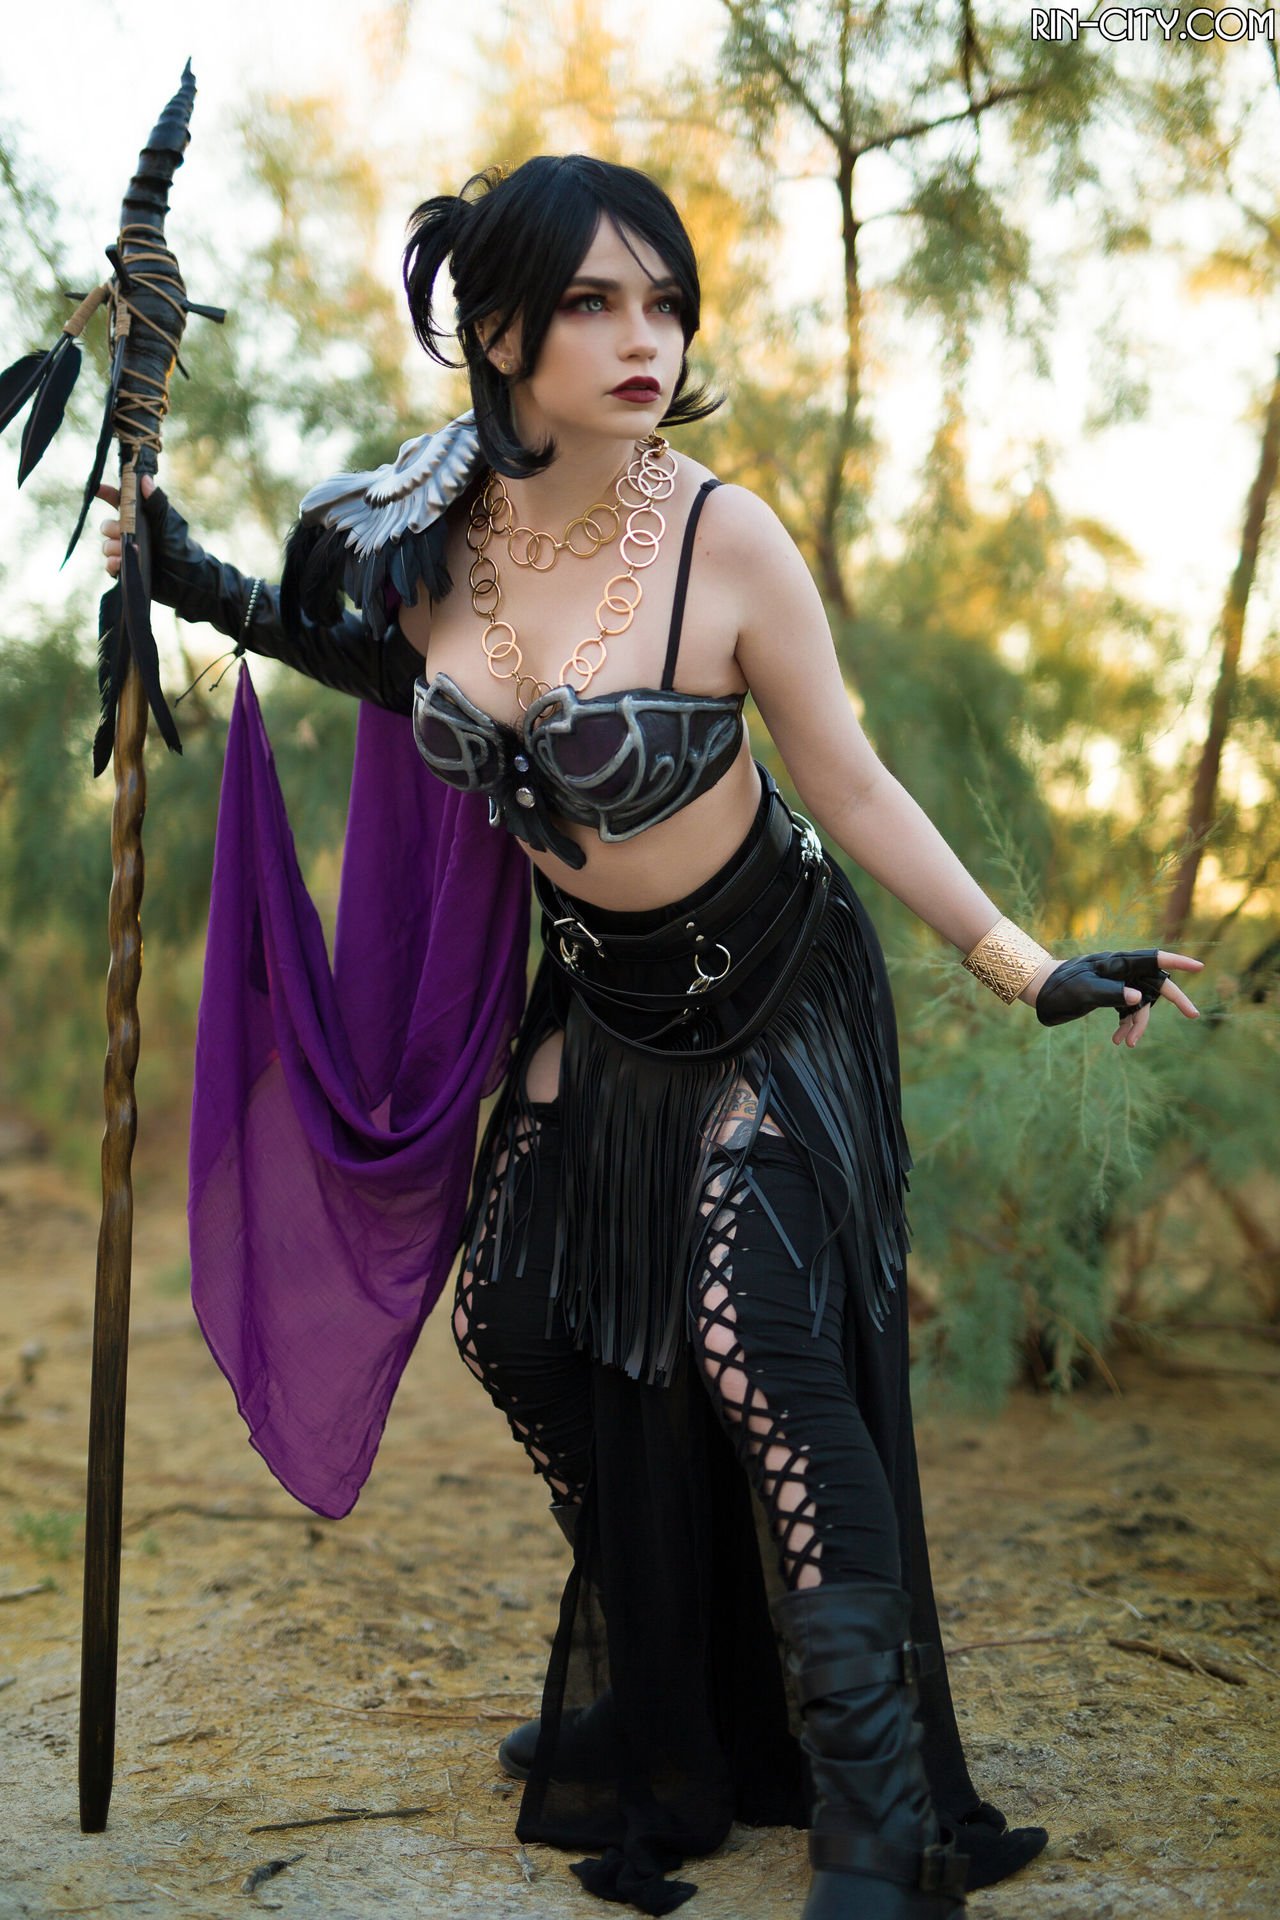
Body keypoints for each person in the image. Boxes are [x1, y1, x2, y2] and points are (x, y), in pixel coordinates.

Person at [101, 155, 1203, 1920]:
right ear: (500, 331)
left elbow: (849, 780)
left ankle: (875, 1818)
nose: (647, 338)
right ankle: (671, 1692)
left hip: (774, 983)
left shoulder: (721, 536)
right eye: (596, 302)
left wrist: (1026, 965)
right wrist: (198, 581)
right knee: (518, 1321)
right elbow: (387, 673)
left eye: (666, 301)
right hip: (601, 998)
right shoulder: (427, 535)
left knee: (756, 1342)